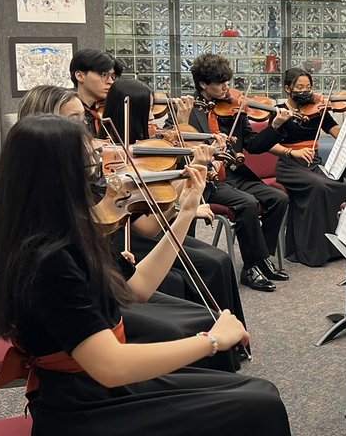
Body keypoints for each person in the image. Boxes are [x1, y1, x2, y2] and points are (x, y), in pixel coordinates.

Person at [0, 115, 329, 436]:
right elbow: (110, 366)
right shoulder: (48, 259)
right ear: (58, 172)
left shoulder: (64, 232)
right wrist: (211, 340)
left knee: (255, 398)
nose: (102, 165)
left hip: (93, 397)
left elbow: (138, 289)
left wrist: (184, 211)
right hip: (80, 417)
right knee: (256, 407)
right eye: (87, 158)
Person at [15, 84, 237, 363]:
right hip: (92, 335)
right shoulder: (50, 234)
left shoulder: (71, 201)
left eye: (82, 123)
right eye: (72, 124)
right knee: (197, 303)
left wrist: (185, 204)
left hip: (107, 276)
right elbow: (146, 230)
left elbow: (133, 285)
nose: (89, 140)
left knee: (207, 307)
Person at [101, 76, 247, 325]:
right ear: (130, 112)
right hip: (130, 239)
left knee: (220, 259)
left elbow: (163, 193)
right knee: (211, 264)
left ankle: (231, 339)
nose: (152, 120)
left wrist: (194, 166)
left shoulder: (145, 145)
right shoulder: (112, 155)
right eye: (147, 112)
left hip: (151, 228)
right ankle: (211, 336)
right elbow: (147, 227)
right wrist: (183, 208)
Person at [181, 54, 290, 292]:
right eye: (220, 83)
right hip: (210, 180)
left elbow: (253, 145)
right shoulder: (188, 110)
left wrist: (275, 126)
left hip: (235, 174)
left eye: (227, 82)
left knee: (279, 198)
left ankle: (261, 259)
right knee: (247, 203)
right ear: (202, 84)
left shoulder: (235, 108)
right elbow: (180, 149)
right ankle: (251, 268)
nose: (226, 88)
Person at [269, 68, 346, 267]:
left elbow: (339, 134)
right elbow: (269, 145)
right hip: (289, 166)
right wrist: (291, 152)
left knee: (342, 185)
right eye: (300, 87)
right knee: (319, 187)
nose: (305, 91)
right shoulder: (280, 111)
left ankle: (334, 247)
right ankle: (311, 250)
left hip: (312, 164)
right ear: (287, 88)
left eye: (308, 87)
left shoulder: (317, 110)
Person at [68, 48, 117, 136]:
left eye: (112, 76)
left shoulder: (113, 110)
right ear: (80, 76)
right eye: (104, 74)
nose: (111, 81)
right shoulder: (67, 111)